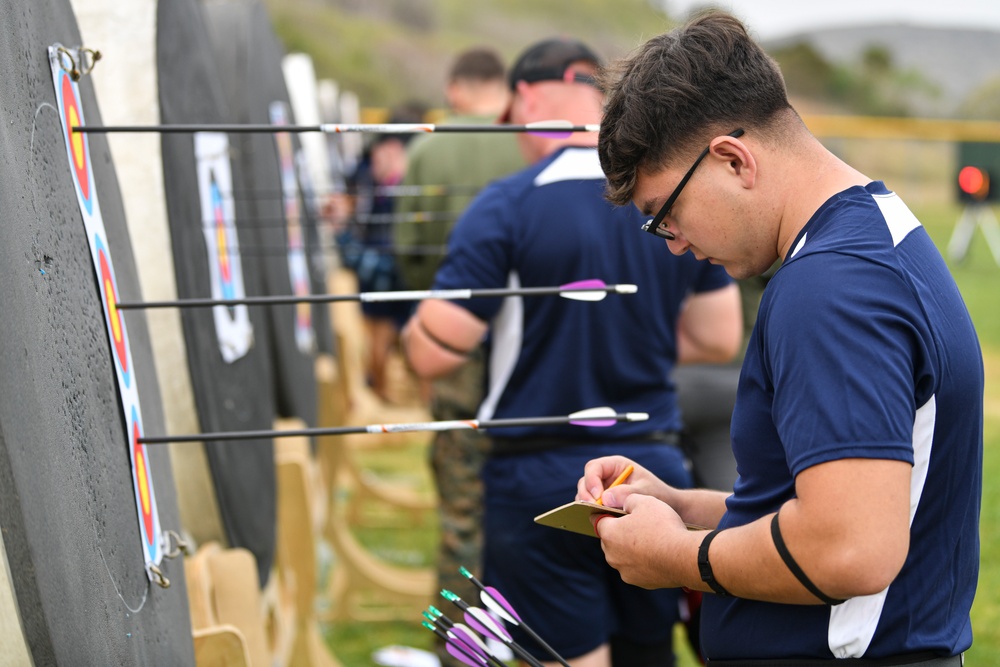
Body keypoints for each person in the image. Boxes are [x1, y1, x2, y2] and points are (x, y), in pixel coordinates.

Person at [579, 10, 982, 665]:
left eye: (666, 215)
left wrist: (676, 555)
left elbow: (849, 548)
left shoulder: (829, 288)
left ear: (734, 159)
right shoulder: (873, 227)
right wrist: (681, 506)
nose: (674, 245)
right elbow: (828, 501)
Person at [402, 37, 742, 667]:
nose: (515, 135)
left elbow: (434, 354)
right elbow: (718, 336)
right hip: (648, 472)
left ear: (528, 96)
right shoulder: (660, 196)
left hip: (538, 479)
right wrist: (626, 331)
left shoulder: (508, 203)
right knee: (647, 652)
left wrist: (413, 326)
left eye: (513, 119)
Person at [393, 47, 526, 667]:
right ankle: (527, 643)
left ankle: (460, 654)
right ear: (505, 89)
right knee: (530, 514)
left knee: (461, 515)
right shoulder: (530, 146)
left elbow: (408, 251)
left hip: (454, 358)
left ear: (454, 87)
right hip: (531, 364)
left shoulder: (431, 147)